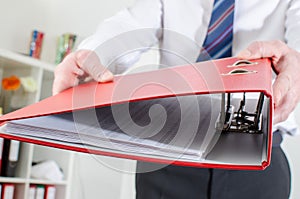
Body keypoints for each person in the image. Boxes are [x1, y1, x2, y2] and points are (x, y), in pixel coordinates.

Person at [53, 0, 300, 198]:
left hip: (257, 159)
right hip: (170, 156)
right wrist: (93, 55)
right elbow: (131, 23)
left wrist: (296, 63)